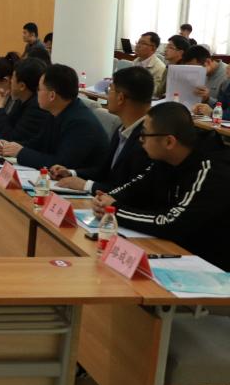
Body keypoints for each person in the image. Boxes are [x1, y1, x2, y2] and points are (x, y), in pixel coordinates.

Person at [93, 102, 230, 269]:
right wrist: (106, 199)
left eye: (145, 134)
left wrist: (115, 210)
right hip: (175, 251)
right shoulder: (165, 159)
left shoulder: (211, 170)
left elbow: (171, 222)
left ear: (169, 142)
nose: (140, 140)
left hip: (211, 265)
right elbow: (135, 187)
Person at [50, 66, 154, 194]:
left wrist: (87, 186)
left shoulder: (148, 139)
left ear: (120, 98)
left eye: (110, 89)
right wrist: (71, 173)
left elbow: (131, 192)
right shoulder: (122, 128)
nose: (107, 94)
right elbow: (104, 172)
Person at [0, 64, 109, 169]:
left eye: (39, 89)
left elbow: (61, 163)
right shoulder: (56, 111)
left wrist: (20, 152)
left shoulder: (81, 123)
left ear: (52, 95)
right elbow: (38, 144)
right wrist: (11, 147)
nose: (37, 93)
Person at [0, 57, 49, 144]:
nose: (10, 82)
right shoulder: (20, 100)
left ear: (22, 86)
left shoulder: (37, 107)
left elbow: (11, 141)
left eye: (13, 79)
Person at [132, 32, 166, 98]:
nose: (138, 45)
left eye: (143, 43)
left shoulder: (160, 68)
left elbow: (155, 92)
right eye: (138, 42)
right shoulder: (135, 61)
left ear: (153, 48)